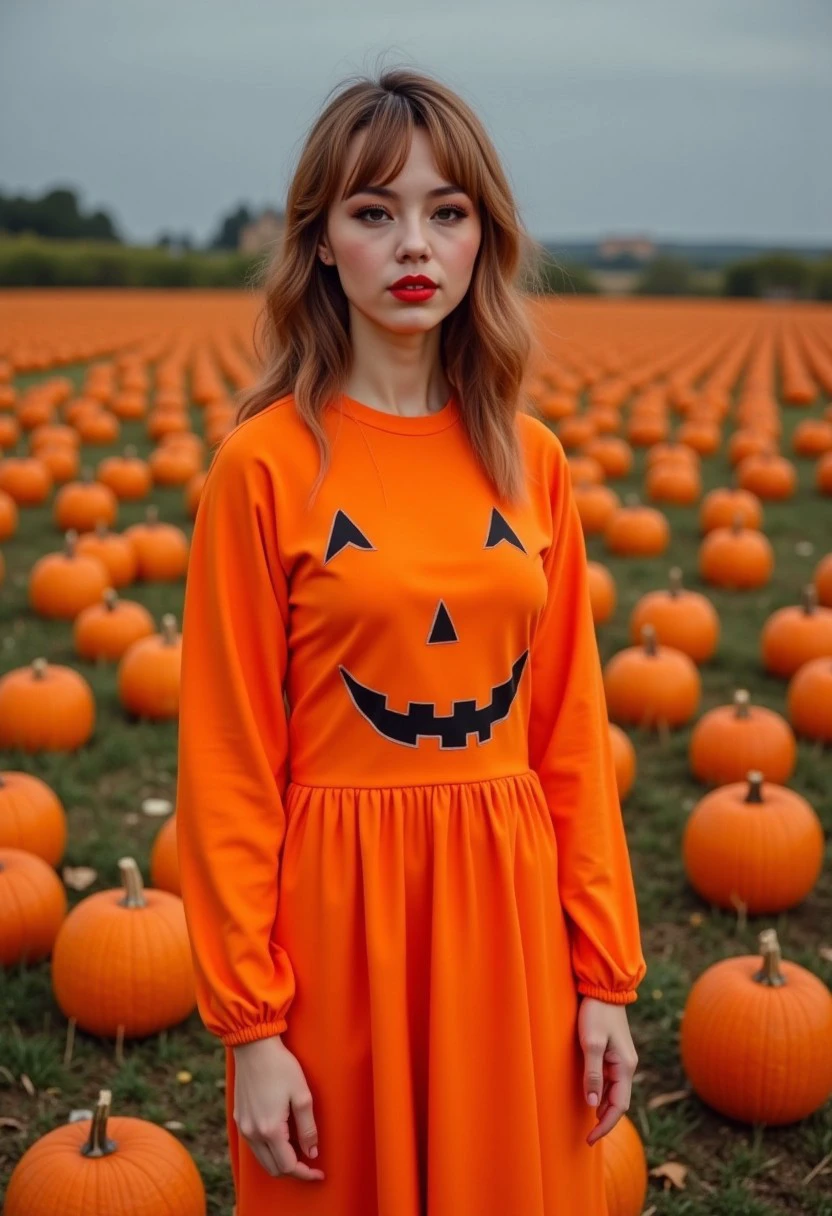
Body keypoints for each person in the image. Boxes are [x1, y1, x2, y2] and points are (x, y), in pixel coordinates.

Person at [175, 63, 647, 1216]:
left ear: (483, 237)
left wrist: (604, 976)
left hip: (509, 911)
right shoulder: (265, 468)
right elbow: (230, 761)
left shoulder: (528, 464)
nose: (412, 243)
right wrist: (252, 1026)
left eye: (446, 211)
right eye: (374, 212)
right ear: (321, 243)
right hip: (337, 922)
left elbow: (568, 733)